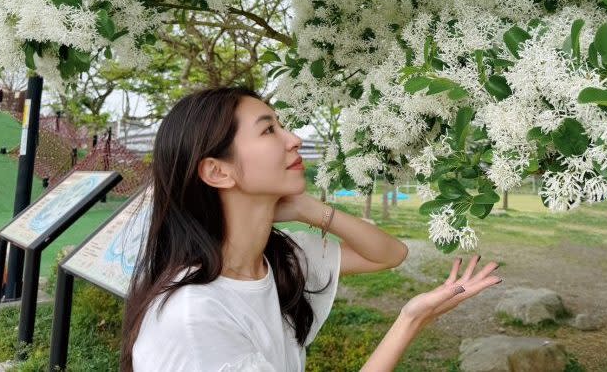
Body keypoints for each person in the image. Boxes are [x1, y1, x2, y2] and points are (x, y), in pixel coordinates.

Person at [121, 87, 502, 371]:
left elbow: (390, 254)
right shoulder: (196, 318)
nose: (294, 139)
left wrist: (308, 208)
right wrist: (411, 321)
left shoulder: (278, 260)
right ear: (218, 171)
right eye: (269, 130)